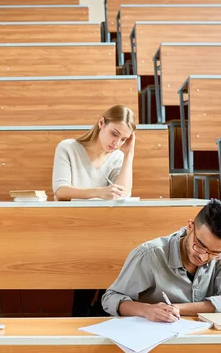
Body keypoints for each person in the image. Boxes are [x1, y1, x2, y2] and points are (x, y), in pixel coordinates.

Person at [51, 105, 136, 317]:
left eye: (123, 139)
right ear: (101, 123)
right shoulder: (68, 148)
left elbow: (123, 193)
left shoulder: (116, 156)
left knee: (118, 259)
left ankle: (101, 311)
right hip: (74, 230)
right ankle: (86, 316)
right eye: (114, 134)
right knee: (93, 266)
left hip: (106, 232)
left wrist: (128, 154)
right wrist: (101, 192)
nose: (116, 143)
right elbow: (61, 191)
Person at [102, 199, 221, 322]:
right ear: (190, 227)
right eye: (200, 246)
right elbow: (110, 298)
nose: (203, 257)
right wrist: (147, 310)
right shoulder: (149, 254)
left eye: (214, 253)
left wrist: (176, 308)